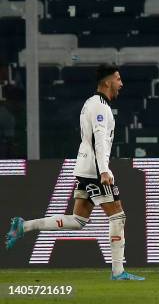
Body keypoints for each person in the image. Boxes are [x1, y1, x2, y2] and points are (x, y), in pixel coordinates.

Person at [5, 64, 144, 281]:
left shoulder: (92, 103)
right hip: (94, 171)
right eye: (118, 79)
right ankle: (118, 272)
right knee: (118, 216)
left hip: (86, 168)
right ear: (107, 82)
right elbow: (99, 138)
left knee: (78, 220)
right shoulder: (99, 106)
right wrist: (104, 170)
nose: (121, 83)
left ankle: (24, 226)